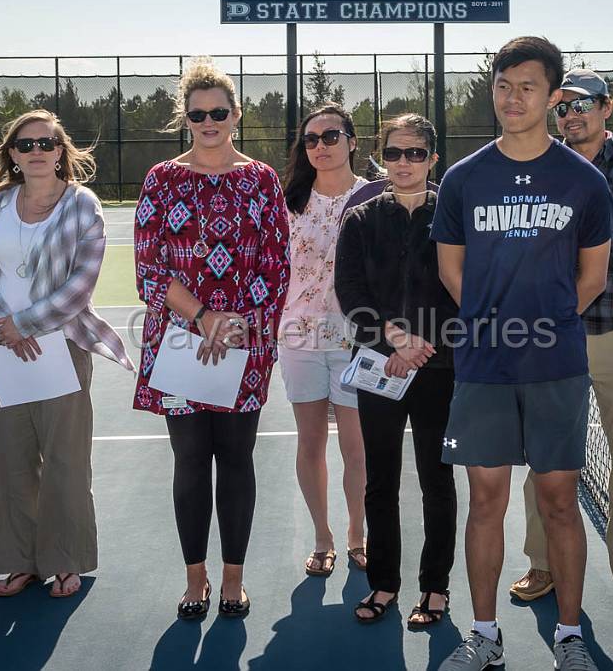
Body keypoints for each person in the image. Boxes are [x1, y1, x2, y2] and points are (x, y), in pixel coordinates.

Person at [434, 37, 613, 671]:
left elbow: (591, 277)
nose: (514, 98)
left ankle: (569, 635)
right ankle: (483, 634)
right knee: (486, 500)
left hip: (556, 366)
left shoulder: (584, 182)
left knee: (560, 500)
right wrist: (495, 323)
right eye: (504, 86)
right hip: (484, 365)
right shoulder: (463, 179)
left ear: (553, 95)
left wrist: (543, 324)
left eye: (528, 87)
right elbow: (452, 271)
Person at [0, 109, 134, 599]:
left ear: (61, 151)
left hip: (62, 346)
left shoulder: (82, 205)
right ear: (12, 154)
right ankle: (19, 562)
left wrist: (24, 324)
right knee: (6, 459)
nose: (36, 152)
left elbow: (82, 282)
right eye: (25, 145)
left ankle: (66, 560)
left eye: (46, 144)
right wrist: (3, 326)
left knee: (64, 460)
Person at [133, 57, 290, 619]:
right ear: (186, 118)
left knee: (238, 460)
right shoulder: (161, 179)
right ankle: (195, 578)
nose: (209, 121)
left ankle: (233, 579)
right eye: (198, 113)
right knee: (191, 461)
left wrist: (238, 324)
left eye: (218, 112)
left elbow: (276, 267)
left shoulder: (262, 180)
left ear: (235, 114)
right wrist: (203, 319)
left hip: (244, 348)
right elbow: (149, 269)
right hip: (179, 345)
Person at [510, 68, 613, 616]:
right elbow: (524, 240)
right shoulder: (545, 169)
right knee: (543, 456)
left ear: (606, 107)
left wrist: (561, 248)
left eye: (582, 105)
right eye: (563, 108)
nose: (571, 116)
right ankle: (542, 562)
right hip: (551, 336)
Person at [335, 114, 459, 626]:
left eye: (415, 153)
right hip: (380, 365)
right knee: (380, 480)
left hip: (439, 368)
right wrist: (395, 338)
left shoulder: (453, 216)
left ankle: (435, 588)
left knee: (437, 480)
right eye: (393, 153)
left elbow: (462, 288)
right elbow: (350, 292)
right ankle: (384, 583)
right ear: (381, 159)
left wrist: (425, 345)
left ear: (432, 159)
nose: (403, 163)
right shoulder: (362, 219)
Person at [280, 103, 368, 577]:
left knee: (356, 446)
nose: (320, 147)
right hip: (298, 339)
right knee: (310, 441)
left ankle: (357, 533)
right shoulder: (288, 201)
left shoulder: (374, 196)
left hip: (356, 341)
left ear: (352, 142)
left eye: (330, 137)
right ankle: (323, 536)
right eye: (311, 140)